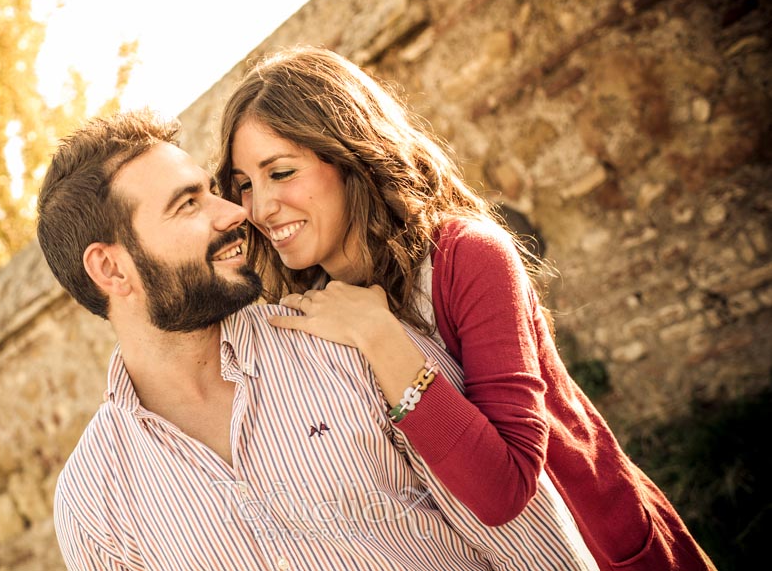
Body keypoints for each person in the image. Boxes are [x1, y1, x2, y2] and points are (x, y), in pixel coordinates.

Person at [215, 46, 716, 571]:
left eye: (281, 172)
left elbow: (503, 489)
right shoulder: (303, 313)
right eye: (245, 184)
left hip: (599, 543)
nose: (260, 207)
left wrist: (380, 336)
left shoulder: (467, 257)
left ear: (348, 157)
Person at [37, 109, 599, 570]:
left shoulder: (351, 342)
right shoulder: (94, 503)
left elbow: (533, 545)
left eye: (213, 192)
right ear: (110, 270)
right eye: (188, 205)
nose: (235, 213)